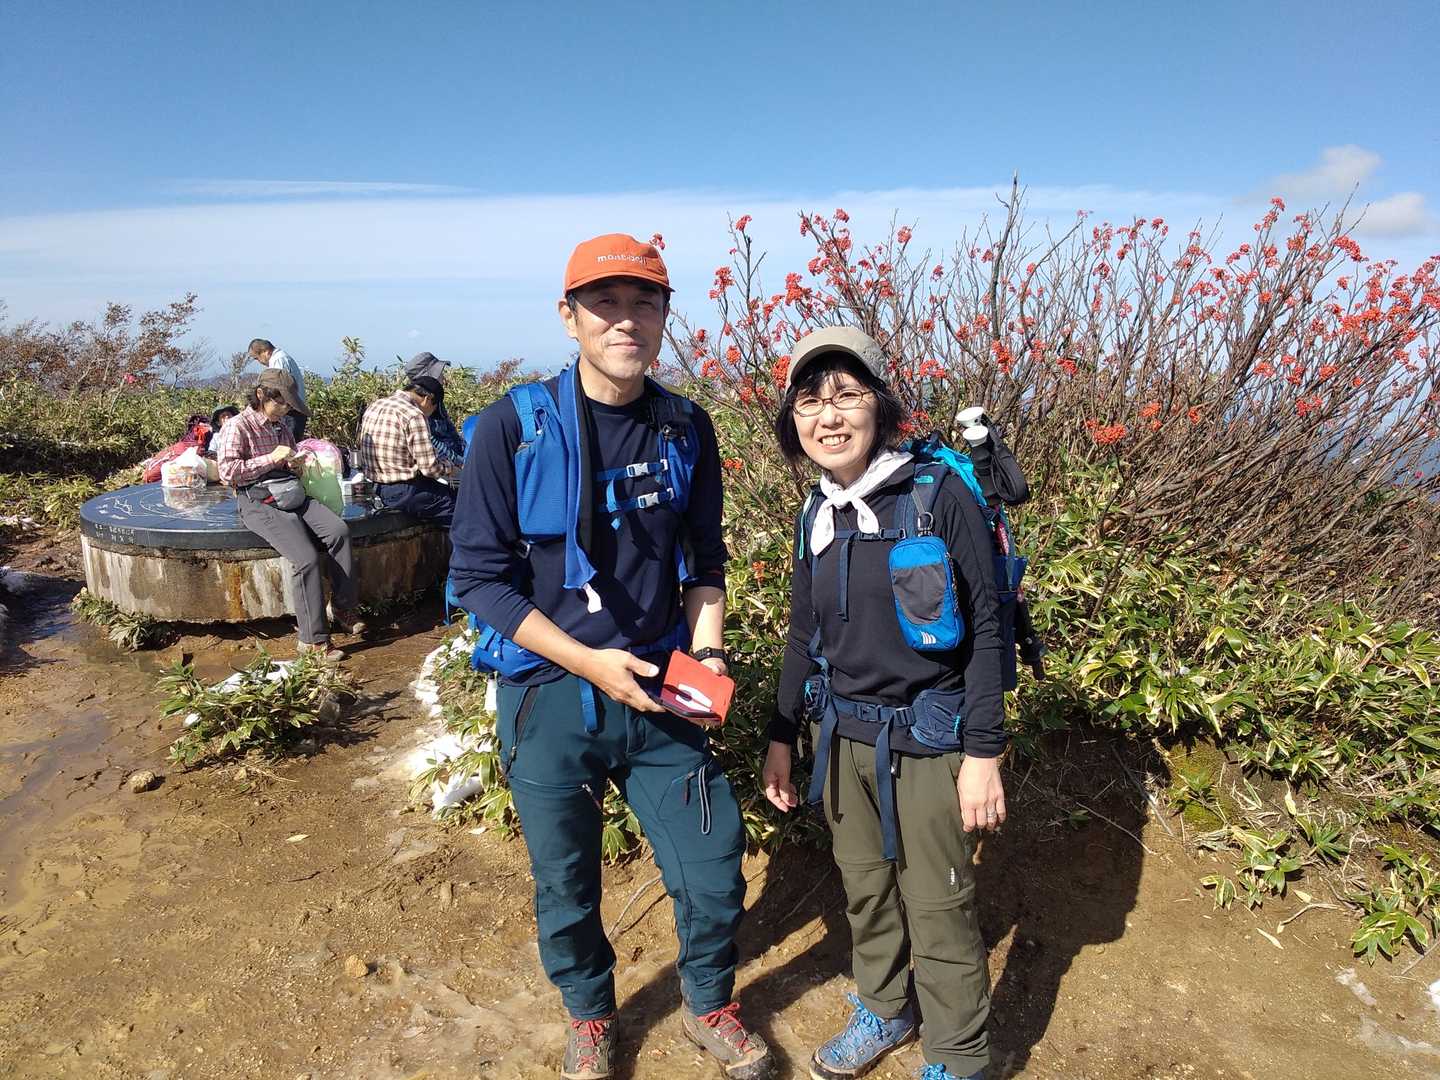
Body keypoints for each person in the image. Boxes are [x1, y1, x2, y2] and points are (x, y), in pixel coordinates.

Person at [449, 234, 771, 1080]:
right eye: (605, 304)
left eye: (644, 303)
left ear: (664, 316)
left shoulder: (686, 427)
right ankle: (590, 1015)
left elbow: (704, 562)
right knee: (566, 879)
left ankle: (708, 1002)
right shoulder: (513, 427)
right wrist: (589, 663)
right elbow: (477, 580)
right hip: (548, 692)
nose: (625, 321)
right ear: (570, 317)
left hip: (662, 685)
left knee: (713, 864)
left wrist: (707, 653)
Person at [761, 328, 1005, 1080]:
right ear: (794, 422)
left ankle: (959, 1058)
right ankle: (886, 1007)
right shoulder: (817, 510)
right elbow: (803, 632)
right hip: (843, 740)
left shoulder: (936, 494)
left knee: (938, 904)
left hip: (929, 739)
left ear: (881, 405)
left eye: (847, 394)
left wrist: (984, 753)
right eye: (810, 402)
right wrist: (781, 735)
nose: (829, 416)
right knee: (865, 890)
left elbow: (987, 629)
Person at [215, 368, 365, 659]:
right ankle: (313, 641)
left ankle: (343, 607)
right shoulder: (237, 426)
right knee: (305, 558)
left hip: (290, 492)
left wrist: (295, 464)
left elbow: (288, 462)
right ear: (261, 395)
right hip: (257, 500)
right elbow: (228, 472)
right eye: (280, 402)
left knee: (338, 531)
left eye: (288, 404)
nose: (285, 409)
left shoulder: (281, 426)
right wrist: (270, 458)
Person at [355, 375, 459, 526]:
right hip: (407, 492)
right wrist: (450, 467)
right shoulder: (414, 415)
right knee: (463, 513)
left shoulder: (375, 405)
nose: (430, 414)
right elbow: (430, 469)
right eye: (434, 409)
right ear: (427, 399)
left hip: (377, 488)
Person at [404, 351, 467, 471]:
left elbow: (451, 431)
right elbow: (432, 442)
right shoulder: (419, 407)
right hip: (445, 466)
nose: (443, 377)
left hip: (456, 457)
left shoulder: (435, 401)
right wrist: (460, 462)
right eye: (439, 374)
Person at [248, 338, 308, 441]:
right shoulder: (282, 358)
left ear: (265, 351)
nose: (260, 362)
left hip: (290, 412)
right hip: (291, 410)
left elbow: (278, 387)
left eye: (257, 358)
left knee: (288, 445)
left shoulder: (279, 360)